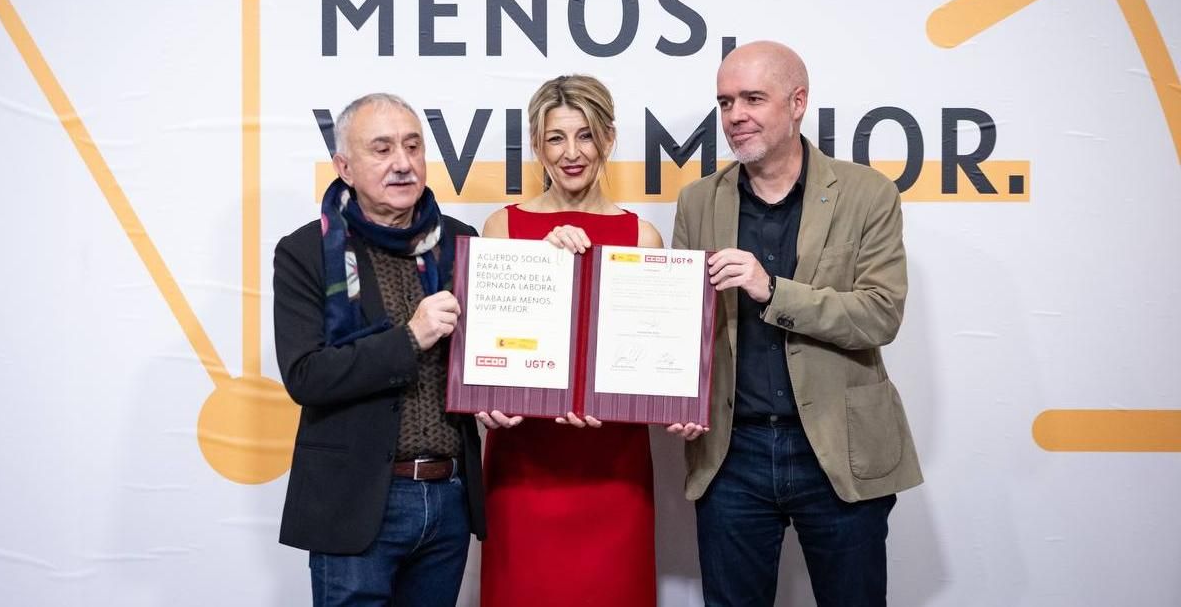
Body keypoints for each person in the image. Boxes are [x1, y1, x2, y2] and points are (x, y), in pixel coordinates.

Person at [672, 41, 923, 606]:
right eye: (725, 101)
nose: (735, 115)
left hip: (838, 450)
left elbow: (881, 314)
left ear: (797, 102)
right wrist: (677, 397)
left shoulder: (867, 194)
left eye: (753, 98)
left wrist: (772, 290)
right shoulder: (697, 202)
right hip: (731, 457)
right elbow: (685, 324)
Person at [272, 93, 484, 607]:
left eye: (413, 146)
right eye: (382, 149)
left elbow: (484, 357)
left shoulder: (460, 241)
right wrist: (408, 338)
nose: (403, 163)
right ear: (345, 166)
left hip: (448, 497)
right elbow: (306, 375)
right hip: (357, 502)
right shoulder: (306, 252)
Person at [476, 75, 663, 607]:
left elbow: (648, 360)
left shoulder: (641, 237)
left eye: (585, 135)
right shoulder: (503, 227)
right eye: (556, 138)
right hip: (525, 464)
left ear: (608, 138)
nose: (572, 153)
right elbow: (494, 354)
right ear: (537, 146)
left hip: (614, 466)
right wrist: (541, 260)